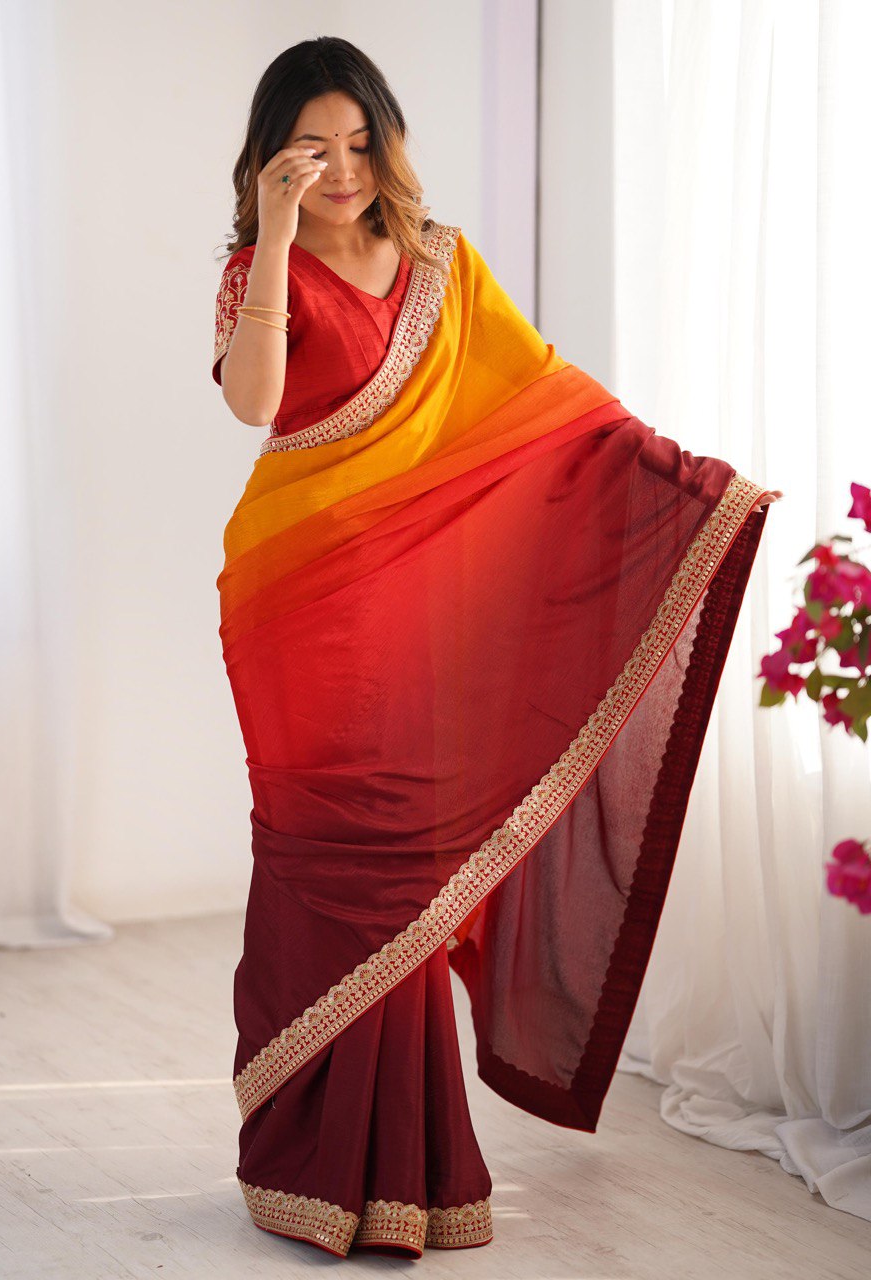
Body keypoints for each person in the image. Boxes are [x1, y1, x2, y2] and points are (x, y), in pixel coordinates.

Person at [211, 35, 781, 1261]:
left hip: (418, 616)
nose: (343, 171)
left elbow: (549, 408)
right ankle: (305, 1154)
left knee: (407, 863)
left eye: (360, 143)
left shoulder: (440, 262)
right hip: (302, 610)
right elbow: (254, 403)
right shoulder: (260, 268)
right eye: (312, 150)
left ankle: (406, 1168)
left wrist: (684, 483)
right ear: (271, 158)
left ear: (388, 142)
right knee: (320, 854)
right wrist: (274, 231)